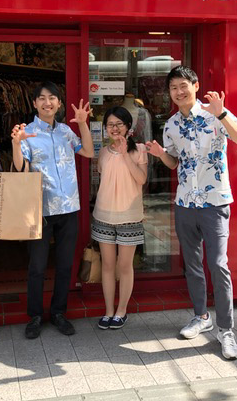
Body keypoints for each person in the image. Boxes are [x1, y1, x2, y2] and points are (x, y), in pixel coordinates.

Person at [146, 66, 237, 360]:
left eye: (183, 85)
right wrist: (160, 155)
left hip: (215, 203)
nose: (179, 92)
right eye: (173, 88)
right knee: (192, 264)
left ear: (195, 85)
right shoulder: (171, 125)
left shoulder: (215, 113)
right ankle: (201, 316)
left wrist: (223, 114)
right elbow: (174, 162)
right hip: (185, 204)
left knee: (218, 265)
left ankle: (226, 330)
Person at [11, 81, 94, 339]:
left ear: (59, 103)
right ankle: (35, 315)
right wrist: (16, 144)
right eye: (42, 98)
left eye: (52, 98)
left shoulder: (66, 132)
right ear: (34, 103)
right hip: (41, 209)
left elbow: (88, 152)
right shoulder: (27, 132)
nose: (47, 102)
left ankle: (58, 312)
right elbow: (20, 169)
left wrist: (82, 124)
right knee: (37, 266)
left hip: (68, 207)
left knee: (65, 265)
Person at [92, 107, 147, 330]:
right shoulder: (103, 153)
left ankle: (121, 310)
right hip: (103, 215)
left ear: (128, 127)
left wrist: (125, 154)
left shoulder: (139, 150)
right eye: (110, 124)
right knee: (107, 265)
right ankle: (108, 311)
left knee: (124, 266)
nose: (115, 128)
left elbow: (141, 179)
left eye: (119, 124)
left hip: (129, 216)